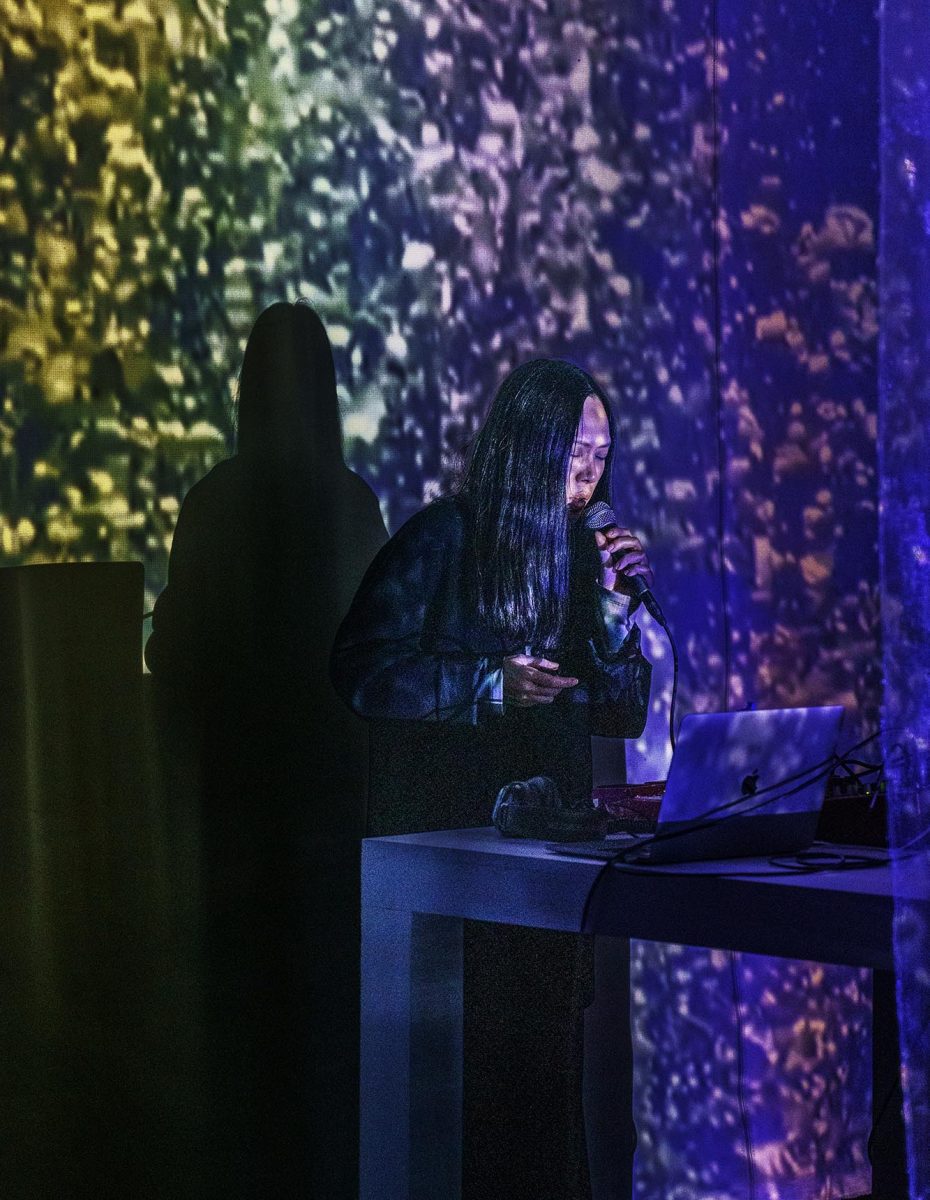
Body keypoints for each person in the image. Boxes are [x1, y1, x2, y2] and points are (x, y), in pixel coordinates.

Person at [331, 357, 653, 1200]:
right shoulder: (444, 536)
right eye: (574, 451)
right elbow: (360, 668)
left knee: (547, 1083)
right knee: (457, 1099)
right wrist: (485, 685)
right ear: (528, 446)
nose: (588, 473)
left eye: (601, 454)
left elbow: (616, 713)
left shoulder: (584, 559)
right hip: (451, 867)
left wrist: (619, 619)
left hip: (547, 872)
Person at [146, 301, 387, 1199]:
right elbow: (381, 665)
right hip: (335, 832)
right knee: (327, 1067)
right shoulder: (354, 503)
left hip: (233, 836)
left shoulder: (212, 503)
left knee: (241, 1073)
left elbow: (171, 663)